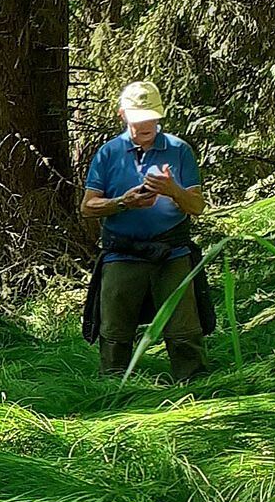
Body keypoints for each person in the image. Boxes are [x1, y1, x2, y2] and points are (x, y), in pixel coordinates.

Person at [80, 80, 211, 382]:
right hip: (122, 253)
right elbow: (87, 207)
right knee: (113, 334)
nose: (146, 125)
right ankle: (114, 394)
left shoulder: (179, 150)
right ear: (122, 116)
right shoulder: (108, 153)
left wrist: (173, 190)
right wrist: (123, 202)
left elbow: (197, 206)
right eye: (139, 119)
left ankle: (196, 392)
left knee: (185, 332)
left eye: (151, 117)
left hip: (173, 253)